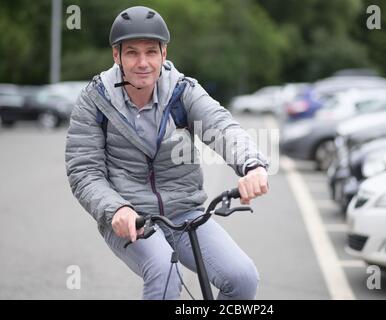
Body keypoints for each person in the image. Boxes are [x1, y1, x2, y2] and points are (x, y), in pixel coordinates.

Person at [65, 6, 269, 300]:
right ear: (116, 55)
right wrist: (116, 209)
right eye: (132, 52)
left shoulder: (183, 92)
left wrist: (252, 165)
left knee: (242, 278)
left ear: (164, 53)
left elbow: (222, 127)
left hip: (185, 212)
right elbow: (84, 171)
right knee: (165, 271)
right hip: (130, 218)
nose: (142, 62)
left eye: (151, 52)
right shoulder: (95, 101)